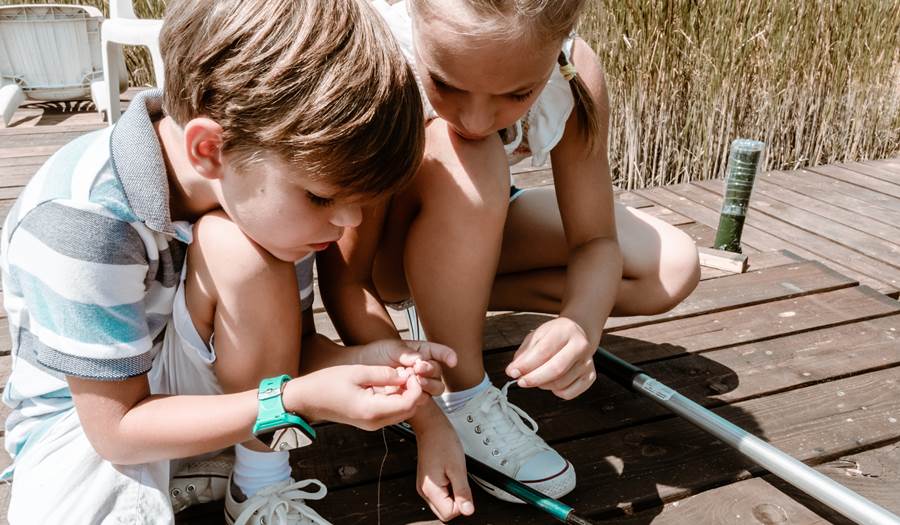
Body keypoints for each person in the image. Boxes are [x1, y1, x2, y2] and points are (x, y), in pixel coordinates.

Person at [0, 0, 455, 523]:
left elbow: (291, 350)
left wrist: (372, 369)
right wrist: (292, 401)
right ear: (209, 149)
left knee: (242, 251)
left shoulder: (270, 195)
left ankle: (258, 485)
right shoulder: (84, 218)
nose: (349, 222)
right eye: (324, 198)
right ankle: (197, 462)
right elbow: (116, 430)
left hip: (180, 382)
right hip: (89, 418)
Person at [318, 0, 701, 520]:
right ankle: (466, 393)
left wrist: (581, 324)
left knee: (670, 267)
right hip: (387, 247)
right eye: (447, 85)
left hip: (474, 218)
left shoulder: (575, 69)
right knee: (469, 150)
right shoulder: (376, 58)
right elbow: (345, 281)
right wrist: (425, 412)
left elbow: (596, 242)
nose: (476, 117)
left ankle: (452, 299)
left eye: (517, 94)